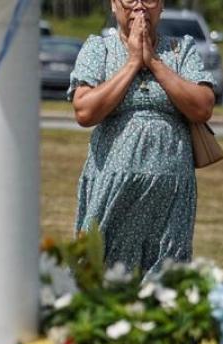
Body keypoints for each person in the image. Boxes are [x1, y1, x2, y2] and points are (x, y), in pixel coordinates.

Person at [68, 0, 215, 276]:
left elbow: (203, 106)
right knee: (99, 269)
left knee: (164, 279)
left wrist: (154, 63)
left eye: (149, 0)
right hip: (111, 187)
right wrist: (133, 62)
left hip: (170, 191)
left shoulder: (180, 49)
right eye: (129, 0)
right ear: (114, 6)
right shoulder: (99, 48)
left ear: (161, 8)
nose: (139, 7)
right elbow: (84, 111)